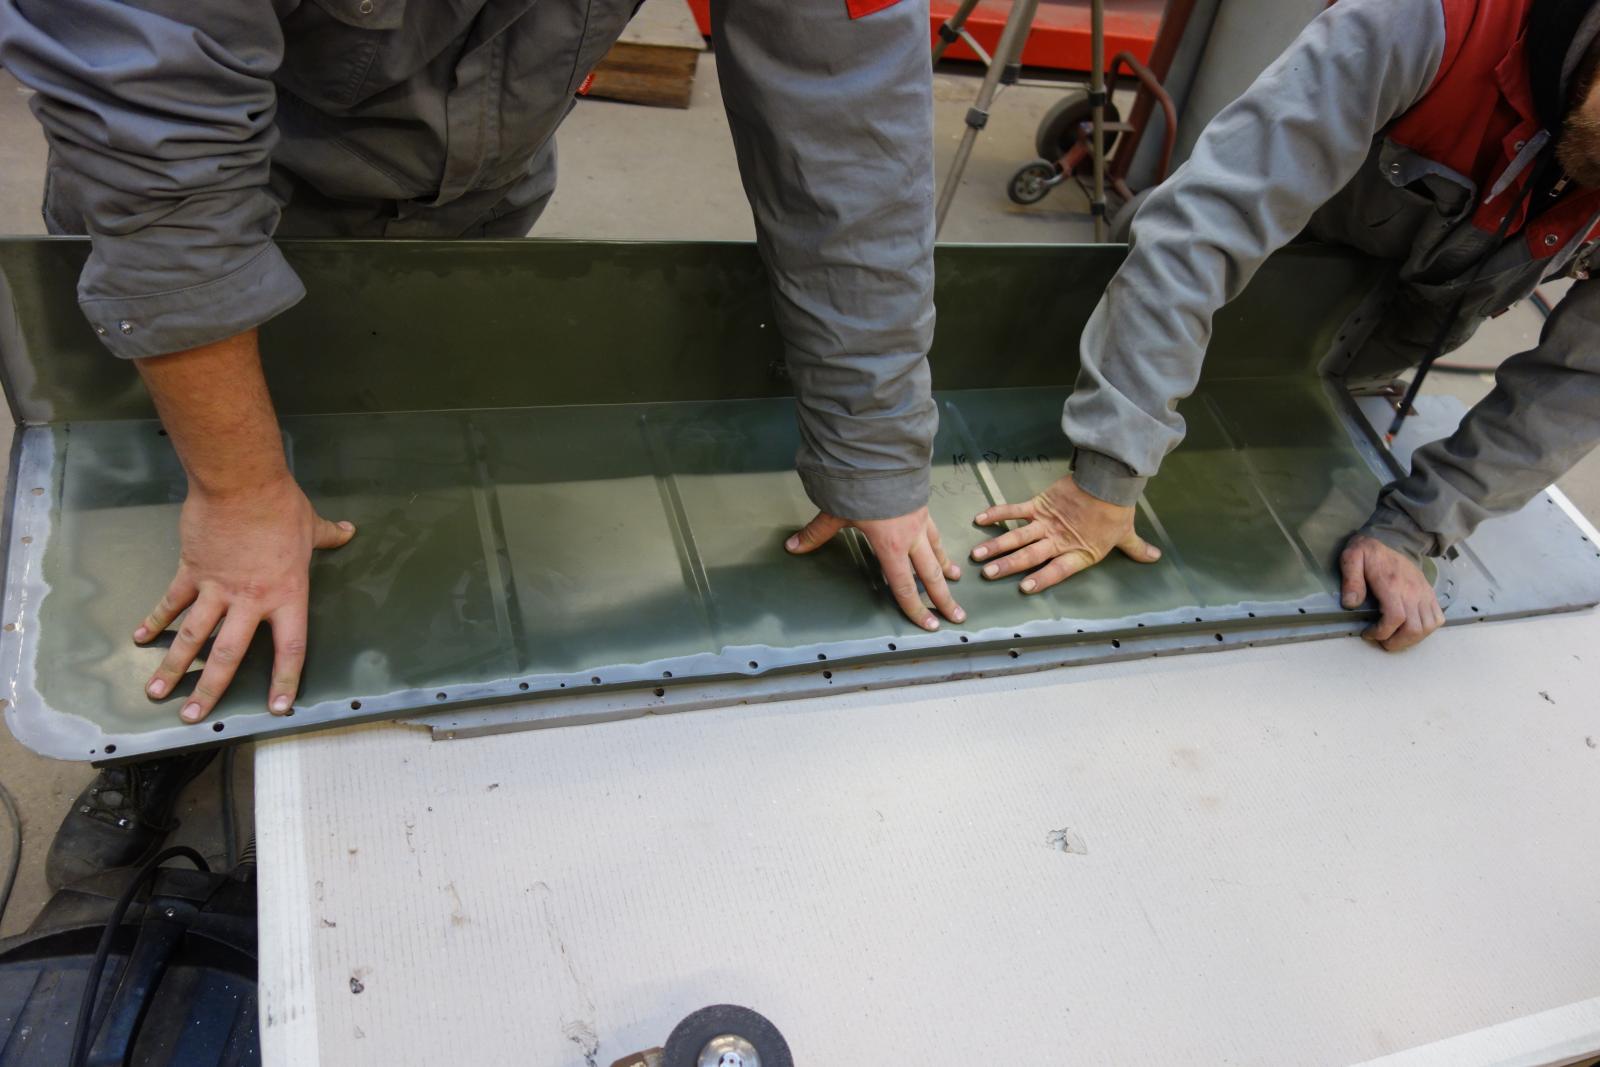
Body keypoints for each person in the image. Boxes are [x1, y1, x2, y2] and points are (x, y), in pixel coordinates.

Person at [0, 0, 962, 883]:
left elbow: (849, 125)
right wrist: (238, 487)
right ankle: (159, 734)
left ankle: (374, 718)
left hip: (466, 198)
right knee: (185, 500)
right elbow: (149, 120)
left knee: (412, 492)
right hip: (209, 199)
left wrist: (872, 448)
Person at [972, 0, 1600, 653]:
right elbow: (1203, 230)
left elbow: (1581, 384)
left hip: (1335, 368)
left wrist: (1417, 525)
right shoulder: (1429, 23)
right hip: (1189, 316)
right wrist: (1107, 473)